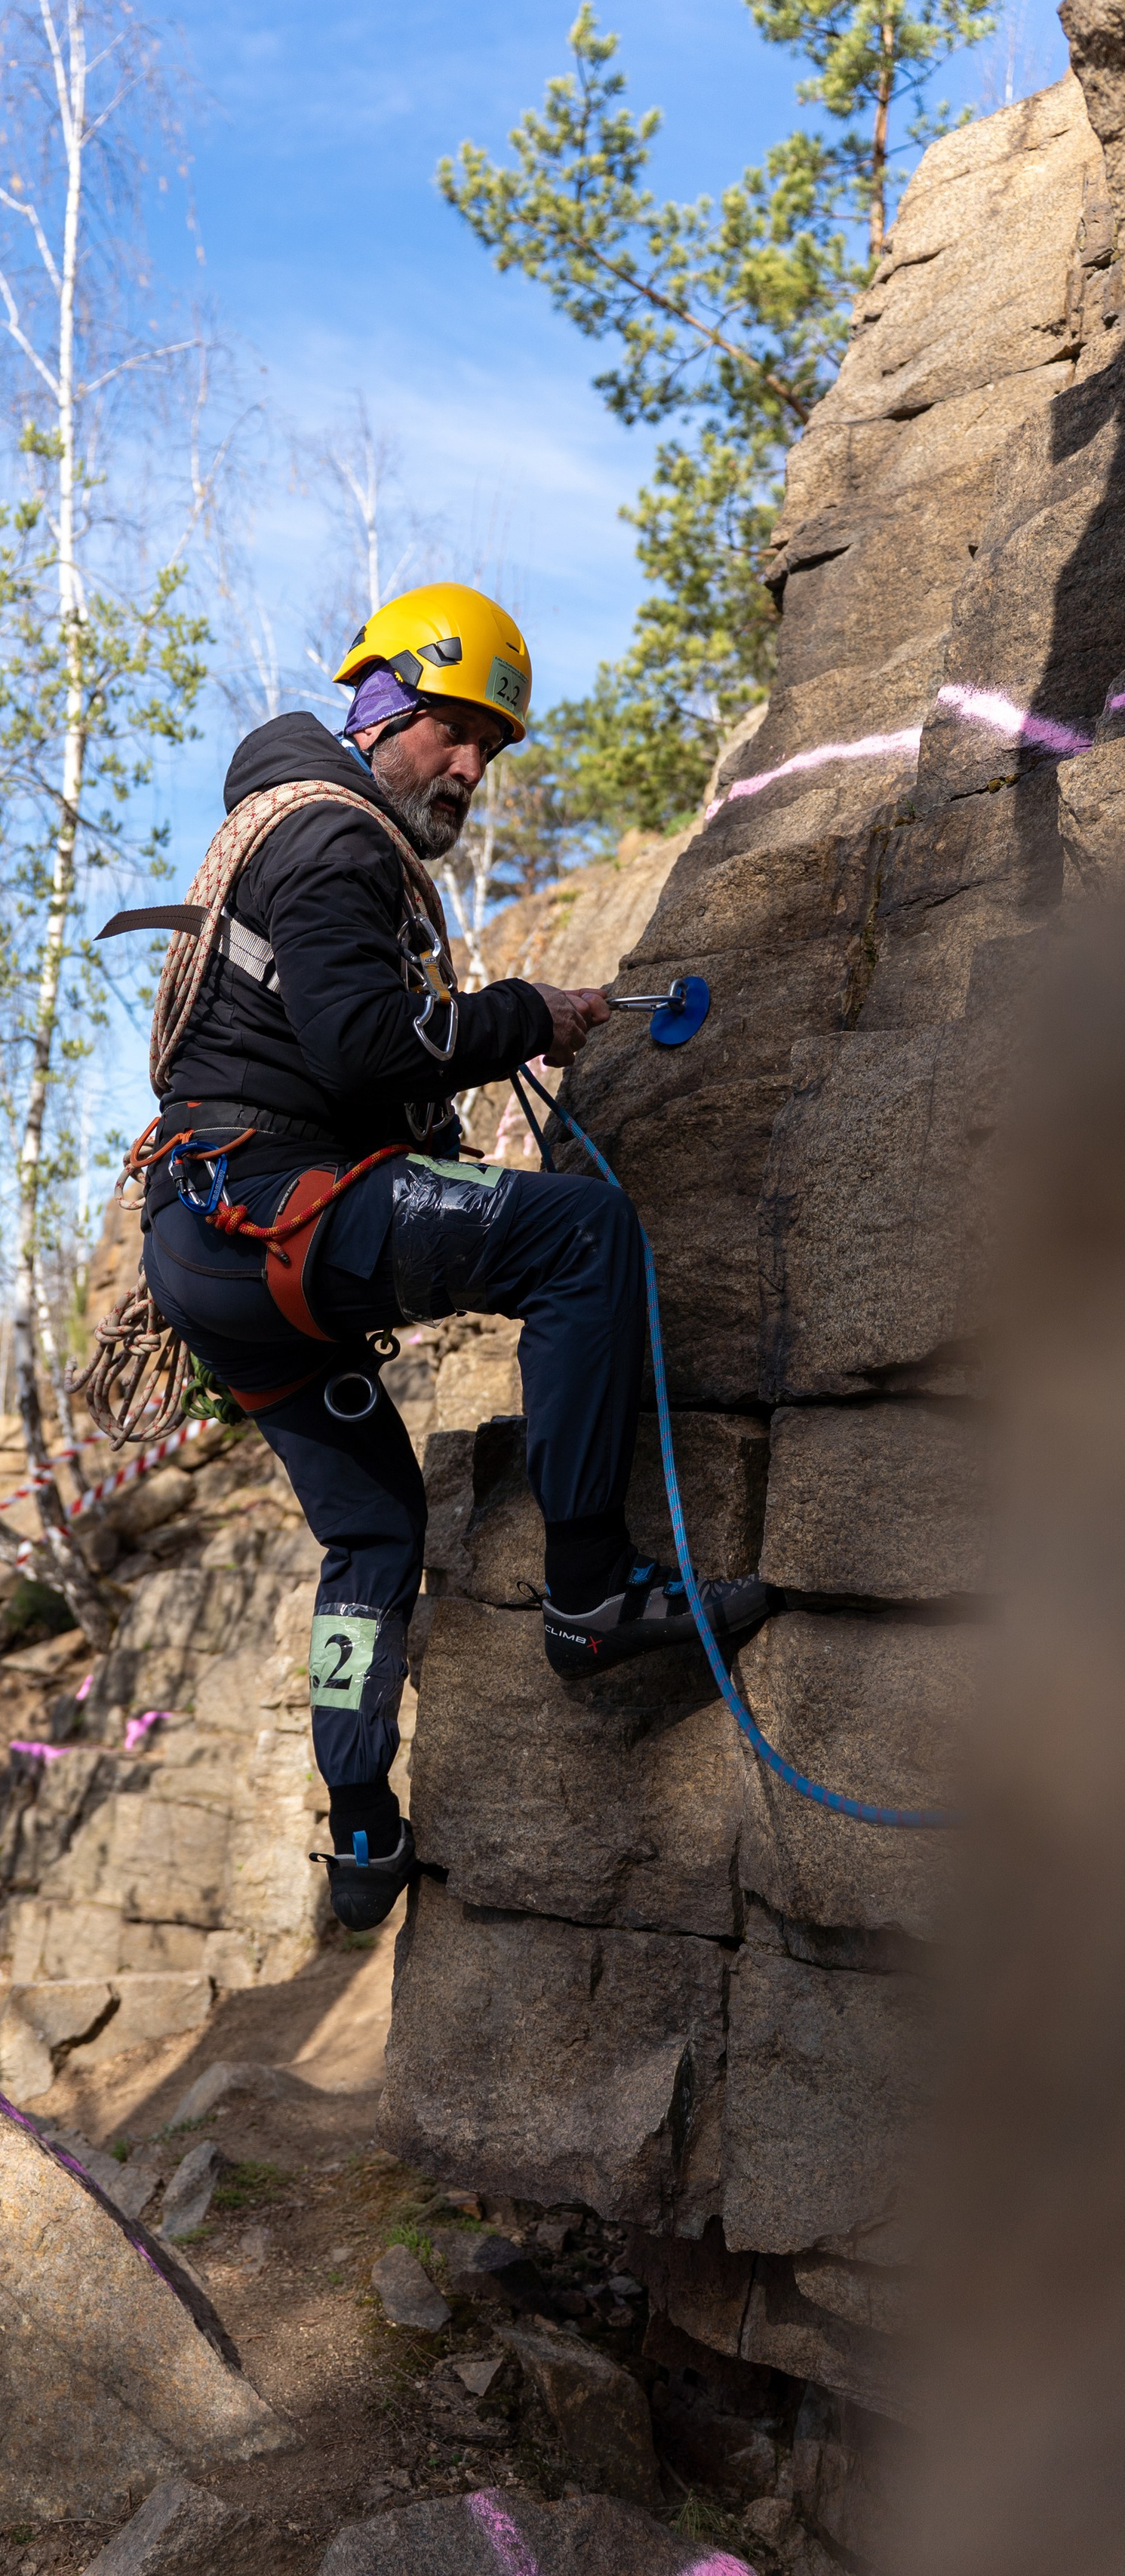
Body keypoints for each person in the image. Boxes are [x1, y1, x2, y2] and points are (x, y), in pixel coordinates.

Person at [135, 582, 768, 1929]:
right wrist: (523, 1014)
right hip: (269, 1205)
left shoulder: (285, 830)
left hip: (212, 1243)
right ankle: (592, 1590)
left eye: (492, 745)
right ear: (380, 709)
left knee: (370, 1526)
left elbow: (350, 1063)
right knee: (581, 1235)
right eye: (452, 730)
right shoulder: (334, 841)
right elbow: (364, 1045)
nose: (473, 767)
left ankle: (361, 1832)